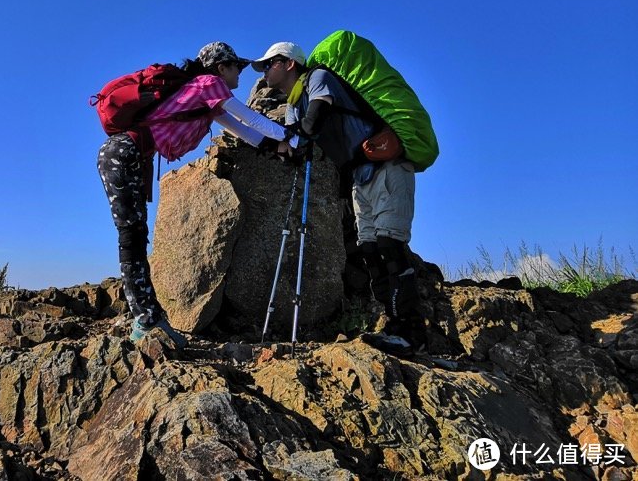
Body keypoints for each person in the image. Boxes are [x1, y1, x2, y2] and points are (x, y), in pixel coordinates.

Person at [97, 42, 294, 349]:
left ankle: (145, 316)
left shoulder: (207, 98)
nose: (240, 73)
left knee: (134, 233)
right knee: (132, 235)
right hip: (125, 153)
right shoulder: (209, 84)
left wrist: (272, 146)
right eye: (236, 67)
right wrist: (292, 136)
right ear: (220, 68)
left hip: (128, 155)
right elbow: (250, 118)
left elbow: (243, 130)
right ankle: (146, 318)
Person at [251, 41, 425, 355]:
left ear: (289, 63)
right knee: (371, 250)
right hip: (360, 176)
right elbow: (295, 140)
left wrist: (296, 135)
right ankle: (393, 325)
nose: (264, 70)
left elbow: (318, 112)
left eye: (269, 63)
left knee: (390, 245)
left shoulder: (317, 78)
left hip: (386, 166)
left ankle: (411, 331)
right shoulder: (293, 102)